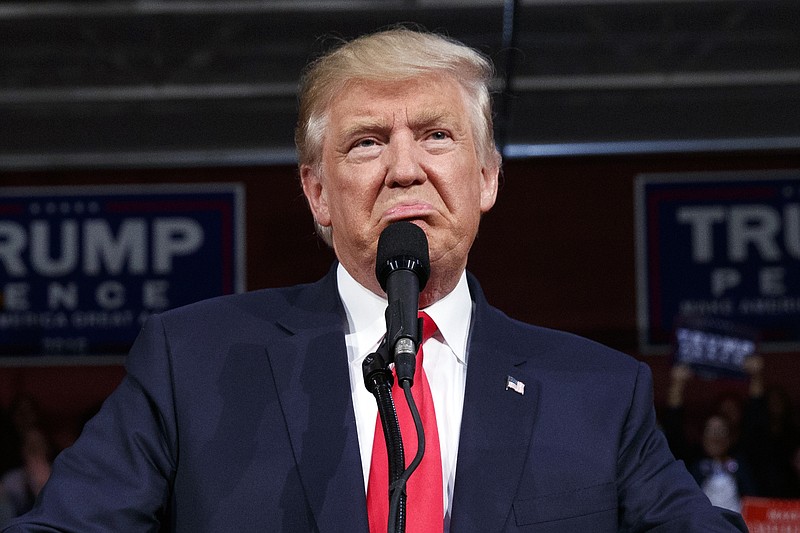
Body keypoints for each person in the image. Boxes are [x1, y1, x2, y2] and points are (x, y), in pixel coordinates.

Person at [3, 27, 747, 532]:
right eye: (366, 143)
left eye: (435, 134)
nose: (403, 166)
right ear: (318, 193)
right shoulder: (193, 363)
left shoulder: (599, 391)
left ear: (485, 176)